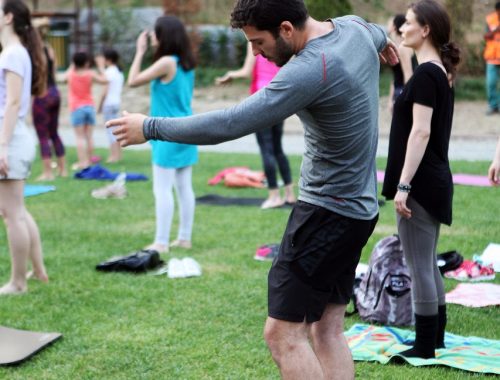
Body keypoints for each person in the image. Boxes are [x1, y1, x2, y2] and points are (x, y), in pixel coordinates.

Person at [108, 1, 398, 377]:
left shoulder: (309, 68)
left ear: (286, 29)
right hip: (360, 210)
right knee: (327, 328)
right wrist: (385, 42)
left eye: (258, 42)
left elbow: (232, 122)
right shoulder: (355, 29)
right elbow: (377, 30)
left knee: (282, 335)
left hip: (325, 214)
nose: (255, 52)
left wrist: (150, 127)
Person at [382, 0, 460, 359]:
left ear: (425, 29)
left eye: (408, 23)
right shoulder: (434, 71)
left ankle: (425, 345)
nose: (402, 28)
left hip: (420, 184)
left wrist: (403, 185)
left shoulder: (429, 75)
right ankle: (436, 338)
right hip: (432, 181)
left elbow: (421, 133)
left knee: (419, 264)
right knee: (426, 261)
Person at [127, 16, 198, 253]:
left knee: (162, 189)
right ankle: (184, 238)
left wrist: (139, 51)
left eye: (156, 34)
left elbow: (133, 81)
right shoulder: (186, 62)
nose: (153, 39)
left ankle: (161, 242)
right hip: (187, 130)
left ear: (164, 36)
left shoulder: (167, 62)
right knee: (183, 187)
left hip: (166, 134)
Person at [0, 0, 49, 294]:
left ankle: (18, 283)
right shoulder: (13, 53)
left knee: (12, 213)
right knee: (15, 209)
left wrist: (2, 146)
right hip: (14, 137)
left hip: (11, 139)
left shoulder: (13, 54)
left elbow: (14, 102)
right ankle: (38, 271)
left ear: (7, 17)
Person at [216, 42, 296, 209]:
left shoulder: (254, 41)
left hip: (261, 100)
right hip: (279, 98)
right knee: (277, 148)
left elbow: (246, 72)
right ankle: (289, 194)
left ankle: (274, 196)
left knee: (266, 149)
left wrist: (231, 74)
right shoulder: (281, 39)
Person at [31, 17, 67, 180]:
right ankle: (63, 170)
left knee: (42, 135)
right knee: (54, 133)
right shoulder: (50, 49)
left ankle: (47, 173)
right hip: (55, 93)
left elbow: (36, 77)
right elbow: (54, 74)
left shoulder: (33, 52)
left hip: (42, 95)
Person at [60, 51, 107, 170]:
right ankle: (89, 161)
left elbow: (62, 79)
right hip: (89, 107)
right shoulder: (90, 74)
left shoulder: (71, 74)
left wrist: (72, 65)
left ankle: (82, 162)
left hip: (77, 108)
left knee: (80, 137)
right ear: (86, 63)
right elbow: (105, 80)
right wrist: (101, 68)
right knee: (89, 137)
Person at [97, 48, 124, 163]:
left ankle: (113, 156)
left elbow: (104, 90)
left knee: (111, 131)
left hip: (108, 104)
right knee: (116, 130)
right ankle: (118, 155)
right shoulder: (119, 72)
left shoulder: (109, 72)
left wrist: (99, 106)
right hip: (117, 102)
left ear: (108, 59)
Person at [387, 14, 414, 114]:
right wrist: (390, 99)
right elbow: (396, 76)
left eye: (389, 23)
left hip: (403, 92)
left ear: (394, 27)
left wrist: (408, 100)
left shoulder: (403, 47)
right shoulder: (397, 46)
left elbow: (408, 75)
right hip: (398, 91)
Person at [483, 1, 500, 115]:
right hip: (492, 58)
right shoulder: (490, 19)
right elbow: (485, 36)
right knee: (491, 83)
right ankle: (493, 105)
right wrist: (496, 30)